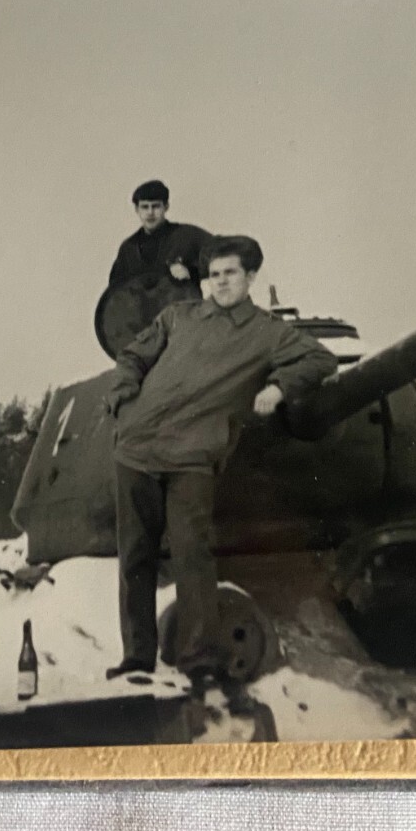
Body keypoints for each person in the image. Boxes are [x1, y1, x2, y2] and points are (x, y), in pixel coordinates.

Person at [102, 235, 337, 682]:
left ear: (250, 277)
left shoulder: (268, 332)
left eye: (230, 273)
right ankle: (136, 657)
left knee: (193, 556)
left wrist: (278, 386)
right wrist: (122, 397)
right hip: (135, 447)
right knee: (135, 556)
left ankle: (197, 658)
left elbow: (320, 358)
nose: (221, 282)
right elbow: (133, 355)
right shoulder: (179, 315)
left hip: (194, 456)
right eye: (213, 274)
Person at [107, 180, 213, 289]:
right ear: (137, 209)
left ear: (166, 206)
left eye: (155, 206)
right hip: (141, 306)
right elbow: (115, 292)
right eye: (144, 207)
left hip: (183, 304)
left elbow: (225, 253)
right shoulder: (128, 248)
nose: (150, 213)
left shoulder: (187, 236)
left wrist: (192, 272)